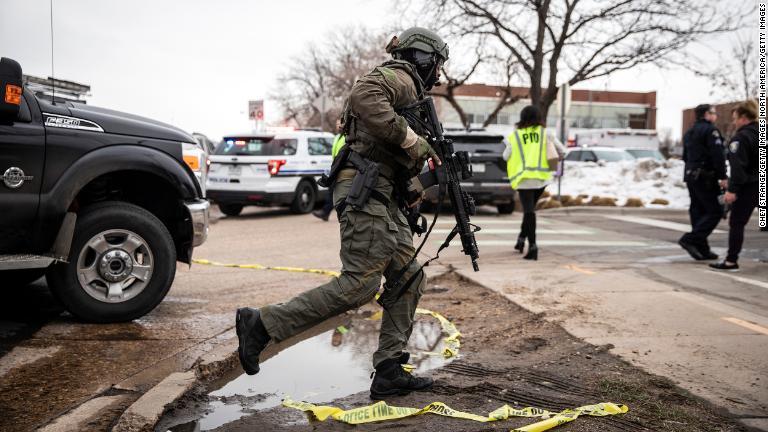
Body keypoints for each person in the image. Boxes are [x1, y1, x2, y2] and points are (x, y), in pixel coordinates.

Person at [235, 27, 449, 399]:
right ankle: (263, 323)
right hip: (366, 191)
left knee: (409, 277)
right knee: (359, 285)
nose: (439, 75)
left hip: (383, 194)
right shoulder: (399, 77)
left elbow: (389, 152)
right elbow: (365, 95)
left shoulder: (408, 90)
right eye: (438, 64)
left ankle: (389, 369)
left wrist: (416, 186)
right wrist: (414, 141)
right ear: (424, 57)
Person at [503, 105, 565, 260]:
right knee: (529, 211)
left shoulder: (516, 136)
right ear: (539, 118)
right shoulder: (546, 134)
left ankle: (533, 247)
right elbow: (563, 152)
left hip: (524, 180)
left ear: (522, 118)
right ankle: (521, 239)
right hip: (541, 180)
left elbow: (505, 156)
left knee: (529, 212)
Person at [710, 100, 759, 271]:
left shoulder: (741, 138)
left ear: (744, 118)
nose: (734, 122)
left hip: (750, 186)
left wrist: (732, 190)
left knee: (737, 223)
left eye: (735, 118)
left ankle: (731, 260)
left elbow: (739, 168)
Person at [679, 104, 728, 260]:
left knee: (698, 211)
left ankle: (702, 248)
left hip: (691, 176)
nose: (716, 116)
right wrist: (723, 176)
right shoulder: (710, 131)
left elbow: (685, 156)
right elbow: (718, 155)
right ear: (707, 114)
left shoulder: (690, 132)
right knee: (715, 211)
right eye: (714, 113)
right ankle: (691, 239)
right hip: (706, 176)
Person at [312, 119, 346, 221]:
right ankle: (326, 212)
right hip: (335, 167)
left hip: (343, 167)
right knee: (332, 190)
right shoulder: (337, 137)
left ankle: (326, 212)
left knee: (336, 191)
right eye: (336, 124)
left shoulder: (347, 137)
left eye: (340, 123)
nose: (338, 126)